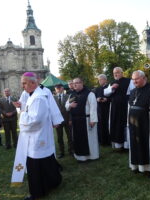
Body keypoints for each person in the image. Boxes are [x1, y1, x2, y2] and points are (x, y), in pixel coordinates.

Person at [11, 72, 62, 200]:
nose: (22, 86)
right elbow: (29, 110)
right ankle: (53, 182)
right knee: (46, 162)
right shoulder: (32, 95)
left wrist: (21, 115)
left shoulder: (38, 97)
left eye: (24, 83)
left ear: (33, 83)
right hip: (38, 135)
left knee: (36, 166)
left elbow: (35, 120)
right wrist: (21, 108)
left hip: (36, 137)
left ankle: (37, 192)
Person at [66, 77, 99, 162]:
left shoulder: (89, 94)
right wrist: (70, 105)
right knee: (77, 139)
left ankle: (92, 156)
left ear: (82, 83)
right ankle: (80, 157)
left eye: (77, 83)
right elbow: (66, 106)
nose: (75, 84)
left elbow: (93, 107)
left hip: (87, 120)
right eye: (74, 83)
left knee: (89, 139)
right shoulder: (71, 94)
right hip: (75, 121)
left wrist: (93, 120)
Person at [104, 67, 135, 149]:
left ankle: (127, 145)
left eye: (117, 72)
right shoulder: (112, 83)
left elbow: (134, 91)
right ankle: (118, 144)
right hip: (115, 108)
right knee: (116, 125)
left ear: (122, 73)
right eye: (114, 73)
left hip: (125, 107)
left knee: (125, 124)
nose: (115, 74)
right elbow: (106, 93)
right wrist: (112, 88)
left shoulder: (129, 81)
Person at [54, 83, 73, 158]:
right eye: (57, 88)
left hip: (67, 119)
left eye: (59, 87)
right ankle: (62, 152)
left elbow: (71, 109)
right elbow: (52, 110)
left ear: (63, 88)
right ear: (55, 89)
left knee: (70, 136)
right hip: (58, 121)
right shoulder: (53, 98)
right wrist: (54, 121)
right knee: (59, 137)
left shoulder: (68, 96)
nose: (58, 89)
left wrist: (70, 119)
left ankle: (71, 150)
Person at [94, 74, 110, 146]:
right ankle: (101, 140)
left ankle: (108, 140)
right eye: (99, 80)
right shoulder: (97, 89)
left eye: (101, 79)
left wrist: (107, 99)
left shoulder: (109, 87)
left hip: (107, 109)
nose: (99, 81)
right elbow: (94, 98)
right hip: (99, 110)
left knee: (107, 125)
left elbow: (113, 97)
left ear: (105, 80)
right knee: (100, 125)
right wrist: (97, 99)